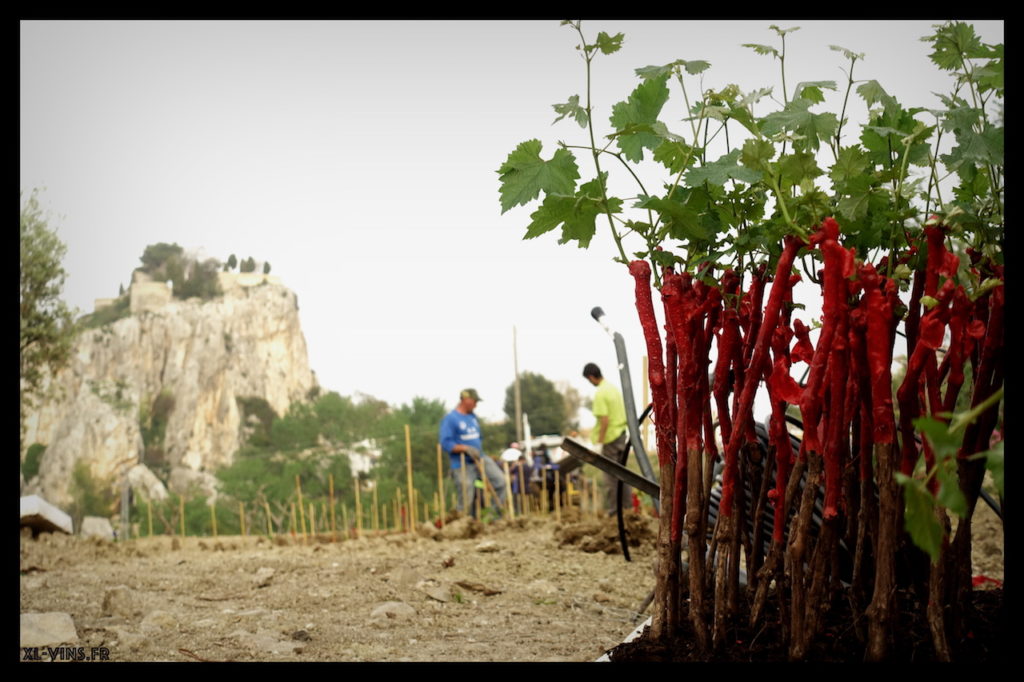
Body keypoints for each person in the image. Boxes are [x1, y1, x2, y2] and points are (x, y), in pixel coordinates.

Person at [438, 388, 507, 519]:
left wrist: (476, 449)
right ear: (466, 400)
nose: (476, 404)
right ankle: (461, 524)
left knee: (500, 482)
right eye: (474, 401)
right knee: (466, 494)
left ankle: (493, 519)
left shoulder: (472, 417)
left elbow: (478, 437)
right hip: (461, 463)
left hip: (479, 457)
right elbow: (445, 443)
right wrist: (464, 448)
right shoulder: (450, 419)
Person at [583, 362, 632, 516]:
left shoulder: (601, 393)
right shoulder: (613, 388)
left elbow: (604, 420)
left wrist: (599, 442)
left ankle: (614, 512)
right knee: (623, 473)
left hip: (610, 438)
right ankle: (627, 509)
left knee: (610, 477)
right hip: (621, 435)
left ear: (591, 377)